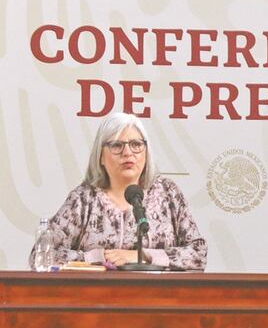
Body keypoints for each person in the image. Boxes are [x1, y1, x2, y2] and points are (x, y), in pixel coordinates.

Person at [29, 112, 207, 270]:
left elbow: (198, 254)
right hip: (96, 301)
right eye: (116, 146)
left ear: (146, 152)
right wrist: (98, 257)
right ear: (100, 156)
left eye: (136, 144)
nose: (128, 153)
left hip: (160, 301)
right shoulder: (83, 199)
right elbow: (41, 256)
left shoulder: (168, 193)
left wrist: (143, 255)